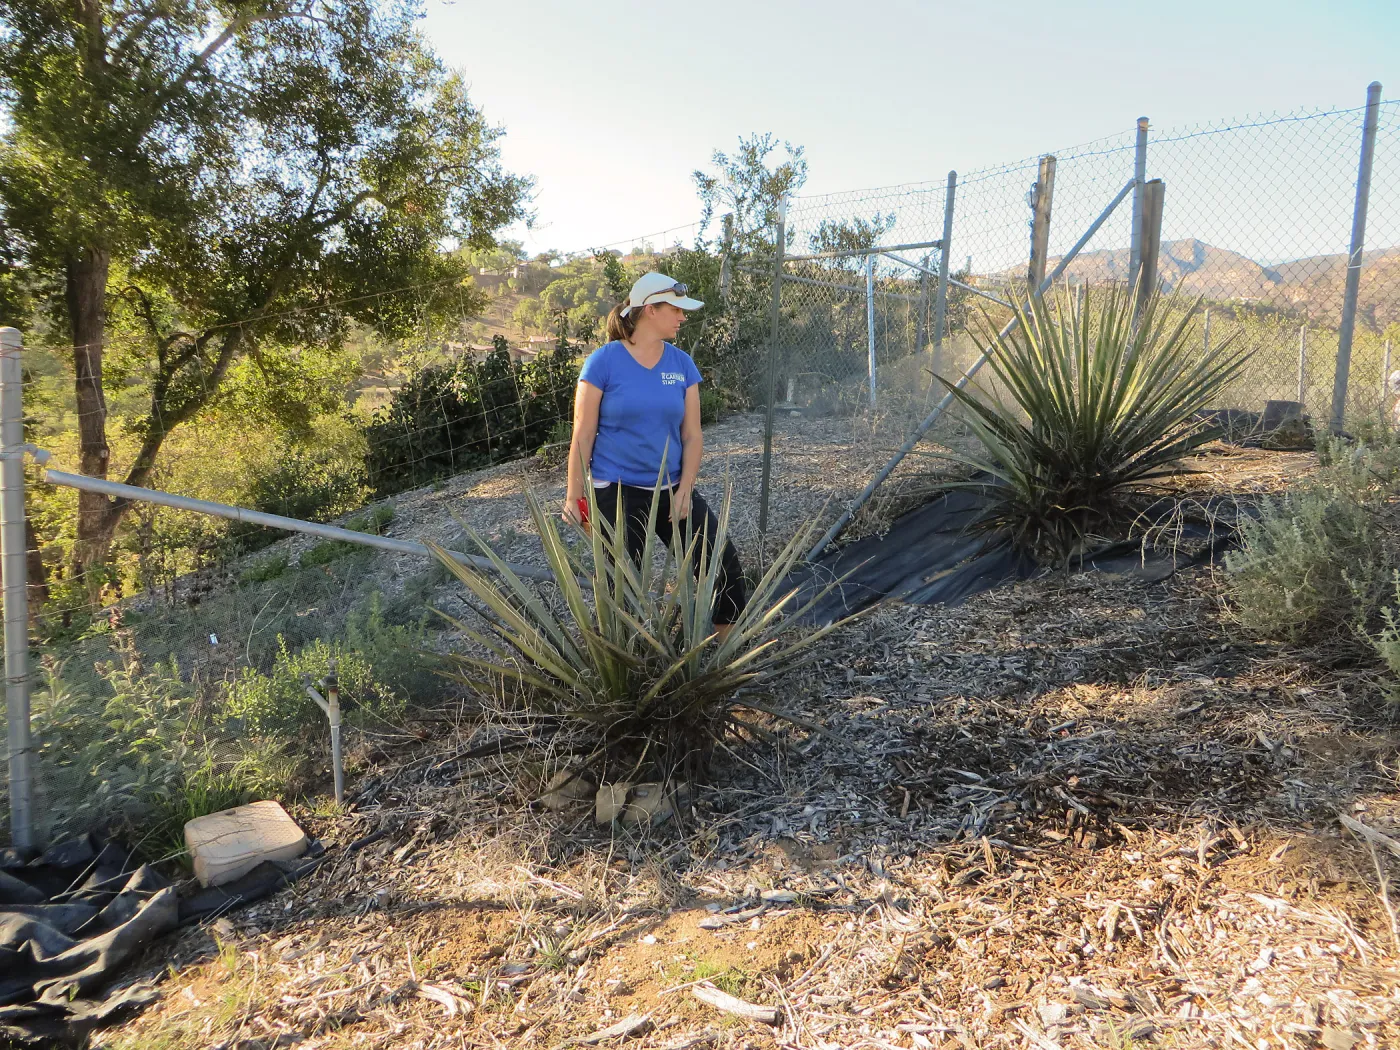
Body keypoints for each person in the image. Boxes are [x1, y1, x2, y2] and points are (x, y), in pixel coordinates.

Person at [562, 272, 747, 640]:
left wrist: (685, 489)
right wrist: (574, 495)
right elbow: (582, 434)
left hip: (672, 489)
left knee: (722, 564)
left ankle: (729, 654)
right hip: (615, 491)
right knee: (620, 584)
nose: (683, 317)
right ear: (650, 310)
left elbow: (692, 436)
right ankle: (624, 666)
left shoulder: (681, 365)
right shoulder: (603, 363)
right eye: (676, 310)